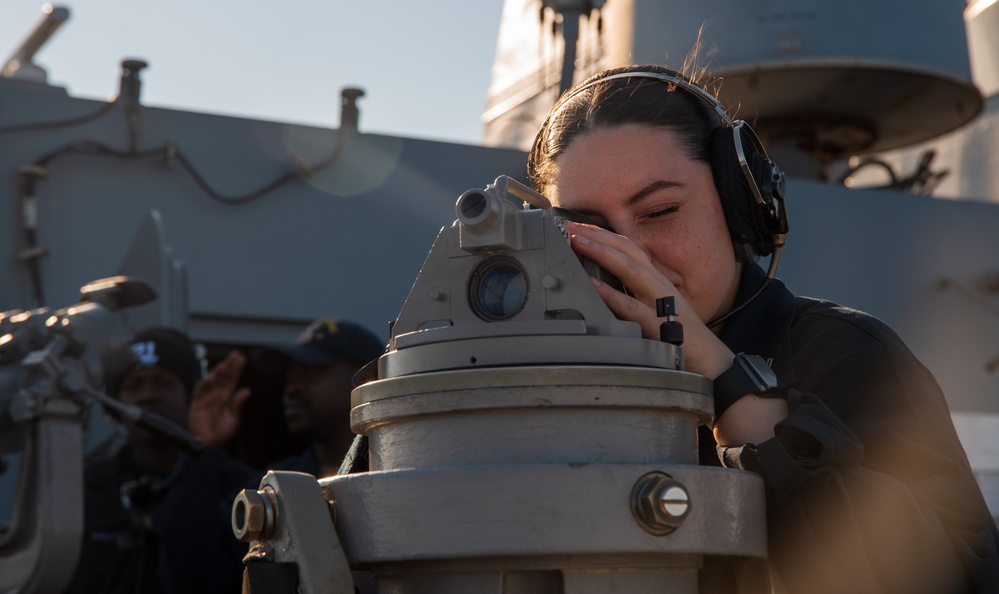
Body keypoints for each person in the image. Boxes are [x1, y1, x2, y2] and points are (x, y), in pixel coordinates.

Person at [527, 64, 999, 593]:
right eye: (590, 233)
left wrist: (729, 385)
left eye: (660, 211)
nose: (631, 254)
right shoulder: (544, 377)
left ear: (739, 209)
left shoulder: (847, 357)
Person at [66, 327, 253, 594]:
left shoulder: (239, 489)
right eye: (134, 385)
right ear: (114, 404)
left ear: (191, 392)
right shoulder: (84, 492)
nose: (148, 395)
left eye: (164, 382)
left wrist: (199, 458)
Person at [254, 318, 384, 478]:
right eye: (290, 377)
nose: (291, 389)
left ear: (365, 380)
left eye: (310, 372)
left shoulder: (403, 474)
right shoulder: (275, 483)